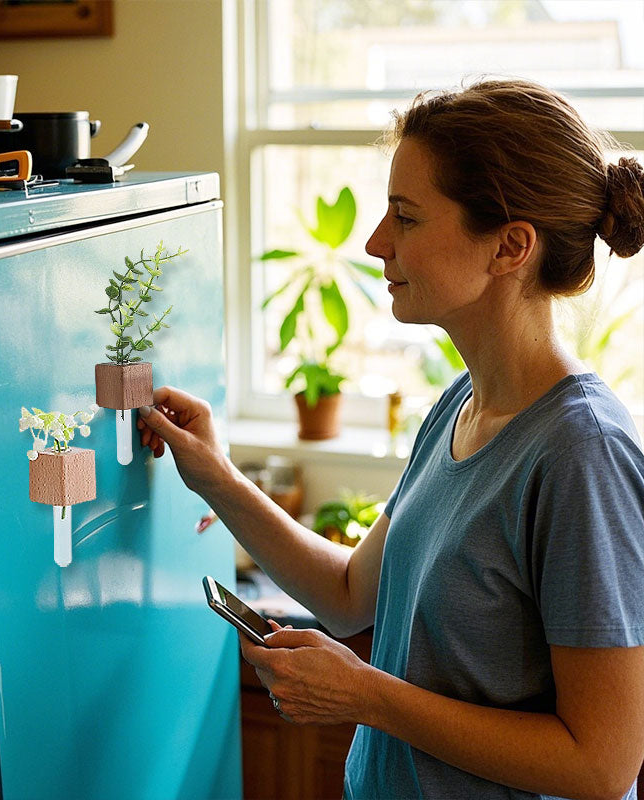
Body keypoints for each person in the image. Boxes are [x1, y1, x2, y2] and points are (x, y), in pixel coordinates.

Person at [136, 78, 644, 799]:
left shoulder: (581, 453)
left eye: (405, 217)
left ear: (511, 247)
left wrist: (366, 696)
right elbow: (347, 595)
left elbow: (602, 764)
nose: (375, 242)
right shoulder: (459, 406)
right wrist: (215, 472)